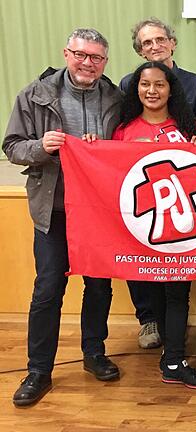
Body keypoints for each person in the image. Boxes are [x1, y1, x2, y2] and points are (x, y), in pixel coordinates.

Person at [4, 28, 122, 407]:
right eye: (81, 55)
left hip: (100, 213)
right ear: (66, 53)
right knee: (48, 290)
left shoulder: (116, 97)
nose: (88, 63)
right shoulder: (34, 94)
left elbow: (127, 147)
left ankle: (94, 352)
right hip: (53, 211)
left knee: (100, 288)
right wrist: (42, 147)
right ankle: (38, 370)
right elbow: (12, 146)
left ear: (105, 62)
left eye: (96, 58)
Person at [112, 61, 196, 389]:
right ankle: (171, 358)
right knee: (153, 290)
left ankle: (174, 359)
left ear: (171, 89)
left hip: (181, 230)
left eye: (159, 84)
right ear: (136, 89)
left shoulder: (189, 126)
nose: (152, 91)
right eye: (145, 85)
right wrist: (94, 146)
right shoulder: (123, 129)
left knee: (177, 293)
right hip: (143, 228)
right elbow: (110, 175)